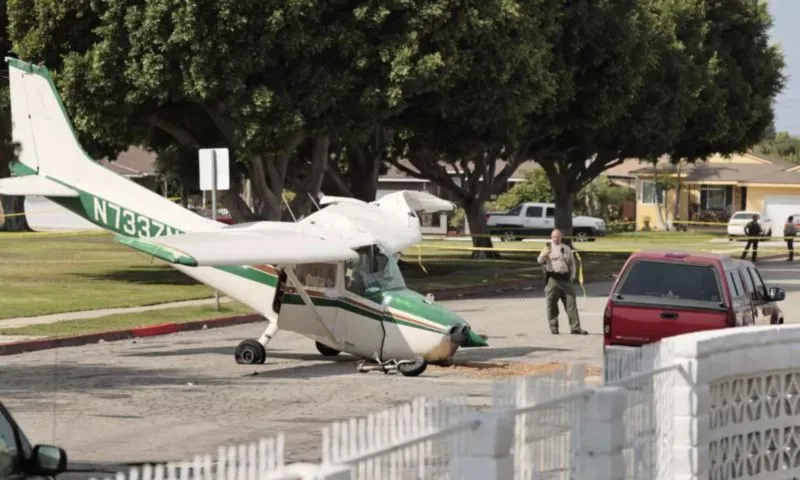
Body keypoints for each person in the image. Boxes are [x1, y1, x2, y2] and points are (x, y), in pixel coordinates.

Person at [537, 229, 588, 335]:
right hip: (553, 279)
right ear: (551, 237)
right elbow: (539, 261)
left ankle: (575, 328)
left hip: (565, 279)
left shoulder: (566, 248)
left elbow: (572, 263)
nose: (556, 238)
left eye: (558, 236)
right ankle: (554, 327)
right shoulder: (547, 247)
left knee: (571, 303)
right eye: (554, 237)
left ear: (561, 237)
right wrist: (544, 255)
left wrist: (573, 276)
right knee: (551, 304)